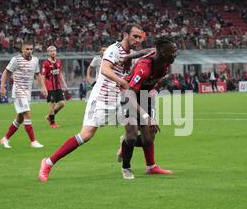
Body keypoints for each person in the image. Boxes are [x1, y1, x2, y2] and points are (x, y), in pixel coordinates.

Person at [38, 24, 150, 181]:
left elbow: (141, 57)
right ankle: (48, 162)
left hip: (120, 97)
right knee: (86, 135)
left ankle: (126, 159)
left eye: (140, 37)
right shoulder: (114, 49)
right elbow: (105, 69)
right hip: (102, 97)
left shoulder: (132, 54)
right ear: (125, 35)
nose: (138, 40)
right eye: (135, 36)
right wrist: (122, 82)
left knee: (134, 131)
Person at [117, 36, 178, 178]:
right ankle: (126, 168)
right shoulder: (144, 67)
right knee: (131, 137)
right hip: (128, 95)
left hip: (144, 95)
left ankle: (151, 167)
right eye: (173, 51)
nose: (175, 54)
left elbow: (146, 50)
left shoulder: (162, 58)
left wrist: (128, 57)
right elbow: (130, 95)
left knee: (148, 137)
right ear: (162, 51)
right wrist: (146, 116)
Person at [0, 40, 48, 149]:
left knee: (20, 119)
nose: (29, 51)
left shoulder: (35, 60)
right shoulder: (16, 60)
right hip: (18, 91)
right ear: (22, 49)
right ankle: (33, 141)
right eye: (27, 49)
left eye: (31, 49)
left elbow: (38, 74)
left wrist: (43, 86)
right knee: (27, 113)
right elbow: (6, 72)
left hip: (27, 92)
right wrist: (2, 87)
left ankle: (5, 139)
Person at [42, 46, 68, 128]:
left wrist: (64, 83)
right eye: (51, 51)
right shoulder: (46, 63)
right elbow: (43, 76)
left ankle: (49, 116)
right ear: (48, 53)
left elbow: (60, 73)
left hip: (58, 86)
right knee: (52, 105)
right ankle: (52, 123)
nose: (53, 52)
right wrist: (43, 87)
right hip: (50, 87)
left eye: (54, 51)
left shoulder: (58, 61)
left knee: (62, 103)